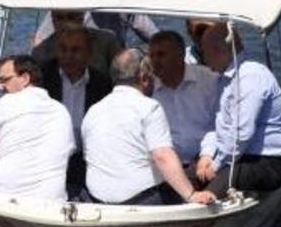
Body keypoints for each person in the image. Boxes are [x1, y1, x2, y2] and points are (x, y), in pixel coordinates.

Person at [82, 49, 216, 206]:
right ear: (144, 78)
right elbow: (162, 156)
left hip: (98, 199)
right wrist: (191, 194)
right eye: (152, 75)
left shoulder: (93, 110)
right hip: (141, 199)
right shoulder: (149, 107)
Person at [195, 24, 281, 196]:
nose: (202, 59)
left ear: (218, 50)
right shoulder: (223, 81)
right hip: (236, 157)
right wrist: (206, 155)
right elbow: (214, 126)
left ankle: (199, 215)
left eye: (203, 52)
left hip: (267, 161)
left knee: (213, 187)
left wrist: (217, 164)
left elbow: (242, 133)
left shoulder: (251, 76)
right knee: (188, 176)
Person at [0, 54, 76, 201]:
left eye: (5, 80)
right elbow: (68, 151)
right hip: (51, 204)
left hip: (3, 199)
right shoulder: (61, 111)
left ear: (25, 78)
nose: (0, 87)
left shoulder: (6, 103)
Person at [37, 24, 113, 197]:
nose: (68, 56)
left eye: (75, 50)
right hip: (48, 159)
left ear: (89, 53)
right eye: (63, 50)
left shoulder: (102, 83)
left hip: (88, 160)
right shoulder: (43, 78)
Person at [148, 30, 220, 168]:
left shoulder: (210, 80)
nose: (155, 61)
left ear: (180, 55)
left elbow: (219, 125)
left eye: (162, 54)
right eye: (152, 56)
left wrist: (207, 155)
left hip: (206, 159)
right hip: (165, 165)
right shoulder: (148, 89)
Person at [31, 9, 121, 75]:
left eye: (71, 17)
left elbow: (119, 76)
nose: (65, 23)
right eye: (60, 18)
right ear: (53, 20)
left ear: (81, 17)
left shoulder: (106, 42)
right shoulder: (41, 52)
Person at [34, 10, 159, 49]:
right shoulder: (71, 6)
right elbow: (39, 41)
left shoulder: (122, 4)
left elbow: (153, 35)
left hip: (112, 63)